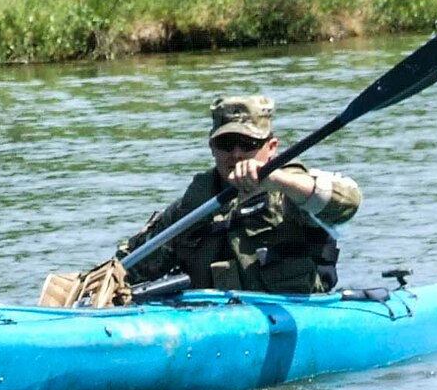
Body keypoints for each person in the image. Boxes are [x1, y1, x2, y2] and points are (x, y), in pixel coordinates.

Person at [117, 93, 362, 296]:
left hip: (295, 314)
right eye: (226, 144)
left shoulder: (291, 192)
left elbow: (348, 203)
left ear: (271, 147)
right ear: (212, 147)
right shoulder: (191, 208)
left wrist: (278, 181)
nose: (236, 154)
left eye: (248, 144)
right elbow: (126, 269)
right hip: (212, 321)